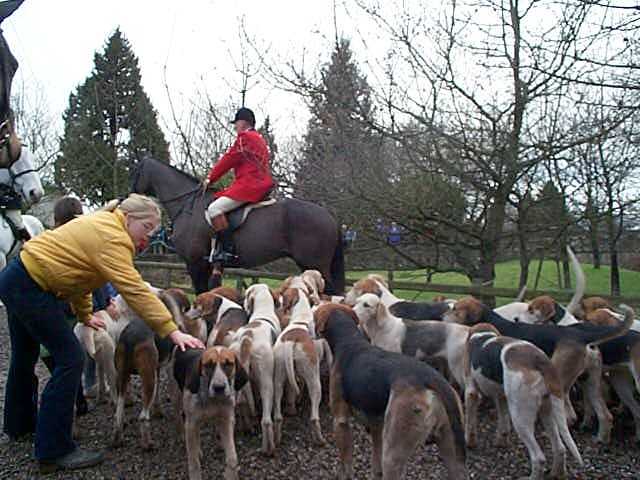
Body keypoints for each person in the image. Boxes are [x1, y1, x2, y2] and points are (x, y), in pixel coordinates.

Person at [0, 193, 204, 473]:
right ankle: (53, 449)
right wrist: (171, 330)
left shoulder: (104, 225)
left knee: (24, 355)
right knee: (70, 357)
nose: (148, 237)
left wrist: (85, 316)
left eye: (154, 232)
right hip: (31, 285)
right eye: (146, 228)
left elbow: (81, 277)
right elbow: (134, 289)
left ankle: (19, 425)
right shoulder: (113, 236)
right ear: (129, 219)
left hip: (17, 277)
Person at [201, 107, 274, 262]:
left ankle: (228, 251)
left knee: (214, 209)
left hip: (249, 186)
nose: (235, 127)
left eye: (236, 123)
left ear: (243, 122)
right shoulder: (259, 139)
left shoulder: (244, 138)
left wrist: (210, 179)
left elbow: (229, 159)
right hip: (261, 184)